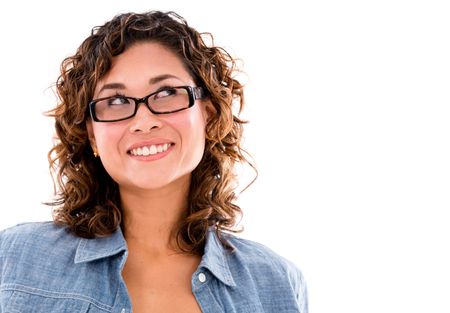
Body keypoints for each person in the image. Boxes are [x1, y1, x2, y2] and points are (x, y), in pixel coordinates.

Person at [0, 10, 308, 313]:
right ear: (92, 135)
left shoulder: (276, 282)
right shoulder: (13, 258)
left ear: (208, 116)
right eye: (116, 101)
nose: (144, 121)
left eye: (167, 92)